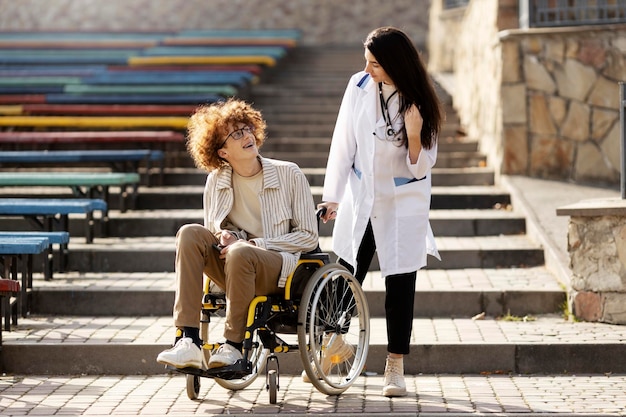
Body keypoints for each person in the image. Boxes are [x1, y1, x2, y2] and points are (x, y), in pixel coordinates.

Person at [316, 26, 443, 397]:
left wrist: (416, 136)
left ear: (395, 64)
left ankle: (395, 366)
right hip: (363, 196)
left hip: (402, 201)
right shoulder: (358, 86)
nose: (369, 69)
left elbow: (422, 167)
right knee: (346, 274)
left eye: (376, 64)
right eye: (367, 62)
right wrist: (333, 197)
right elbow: (343, 144)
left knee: (400, 283)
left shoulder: (419, 99)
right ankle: (334, 342)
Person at [157, 98, 319, 370]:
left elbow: (308, 237)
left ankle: (233, 346)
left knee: (241, 251)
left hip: (278, 270)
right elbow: (212, 232)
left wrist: (254, 243)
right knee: (189, 234)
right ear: (222, 152)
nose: (246, 135)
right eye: (235, 133)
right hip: (233, 266)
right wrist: (225, 235)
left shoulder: (289, 174)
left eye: (246, 128)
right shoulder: (216, 180)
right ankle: (187, 340)